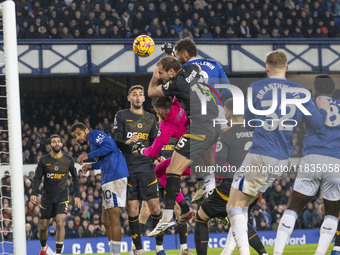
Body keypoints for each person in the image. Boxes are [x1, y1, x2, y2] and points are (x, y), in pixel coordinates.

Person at [226, 50, 330, 255]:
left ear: (266, 68)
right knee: (244, 203)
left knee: (233, 205)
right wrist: (324, 108)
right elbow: (318, 124)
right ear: (287, 68)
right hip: (282, 160)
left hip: (260, 153)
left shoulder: (256, 87)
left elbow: (248, 123)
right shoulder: (300, 91)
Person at [147, 56, 220, 237]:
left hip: (200, 127)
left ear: (171, 72)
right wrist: (170, 56)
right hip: (212, 122)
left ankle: (169, 216)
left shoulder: (176, 84)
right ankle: (206, 188)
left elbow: (151, 92)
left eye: (163, 73)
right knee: (198, 163)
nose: (162, 76)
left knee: (172, 171)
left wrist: (154, 77)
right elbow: (182, 65)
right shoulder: (192, 68)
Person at [274, 75, 340, 255]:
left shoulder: (311, 102)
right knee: (332, 213)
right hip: (336, 162)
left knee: (293, 208)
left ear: (315, 90)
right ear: (333, 91)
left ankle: (277, 252)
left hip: (313, 157)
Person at [195, 99, 267, 255]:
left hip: (234, 185)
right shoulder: (256, 132)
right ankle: (263, 253)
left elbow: (220, 170)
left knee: (201, 216)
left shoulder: (226, 134)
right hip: (256, 186)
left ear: (228, 114)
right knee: (239, 220)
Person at [169, 38, 232, 202]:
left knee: (199, 148)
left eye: (177, 55)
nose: (177, 59)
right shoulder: (215, 64)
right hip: (216, 110)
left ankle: (209, 188)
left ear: (185, 54)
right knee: (224, 148)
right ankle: (218, 187)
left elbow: (177, 95)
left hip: (197, 113)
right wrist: (216, 101)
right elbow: (227, 89)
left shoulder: (182, 70)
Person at [132, 96, 194, 255]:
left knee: (178, 209)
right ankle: (137, 248)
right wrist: (154, 159)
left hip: (173, 168)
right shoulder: (157, 130)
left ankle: (184, 248)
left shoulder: (167, 127)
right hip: (157, 170)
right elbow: (151, 150)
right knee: (147, 210)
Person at [113, 85, 166, 255]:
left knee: (155, 209)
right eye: (134, 94)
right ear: (129, 98)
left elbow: (155, 142)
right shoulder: (121, 115)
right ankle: (139, 249)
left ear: (144, 99)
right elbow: (115, 139)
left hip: (146, 168)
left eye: (140, 95)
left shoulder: (150, 118)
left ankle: (159, 248)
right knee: (133, 210)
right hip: (127, 169)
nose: (137, 97)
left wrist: (159, 156)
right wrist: (126, 143)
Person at [71, 122, 129, 255]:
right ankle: (113, 251)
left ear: (86, 130)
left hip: (115, 176)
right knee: (105, 219)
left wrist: (87, 156)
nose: (78, 138)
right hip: (108, 178)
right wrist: (91, 166)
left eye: (79, 134)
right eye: (75, 136)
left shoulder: (93, 134)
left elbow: (110, 146)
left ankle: (116, 254)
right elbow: (104, 160)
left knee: (113, 217)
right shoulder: (93, 145)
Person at [31, 134, 81, 255]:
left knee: (60, 222)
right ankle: (44, 249)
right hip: (47, 198)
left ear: (62, 144)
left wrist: (77, 195)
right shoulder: (44, 160)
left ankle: (58, 253)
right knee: (43, 226)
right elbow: (37, 178)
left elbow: (75, 178)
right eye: (54, 142)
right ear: (50, 145)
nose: (57, 143)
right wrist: (34, 192)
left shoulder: (68, 160)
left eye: (59, 141)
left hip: (62, 197)